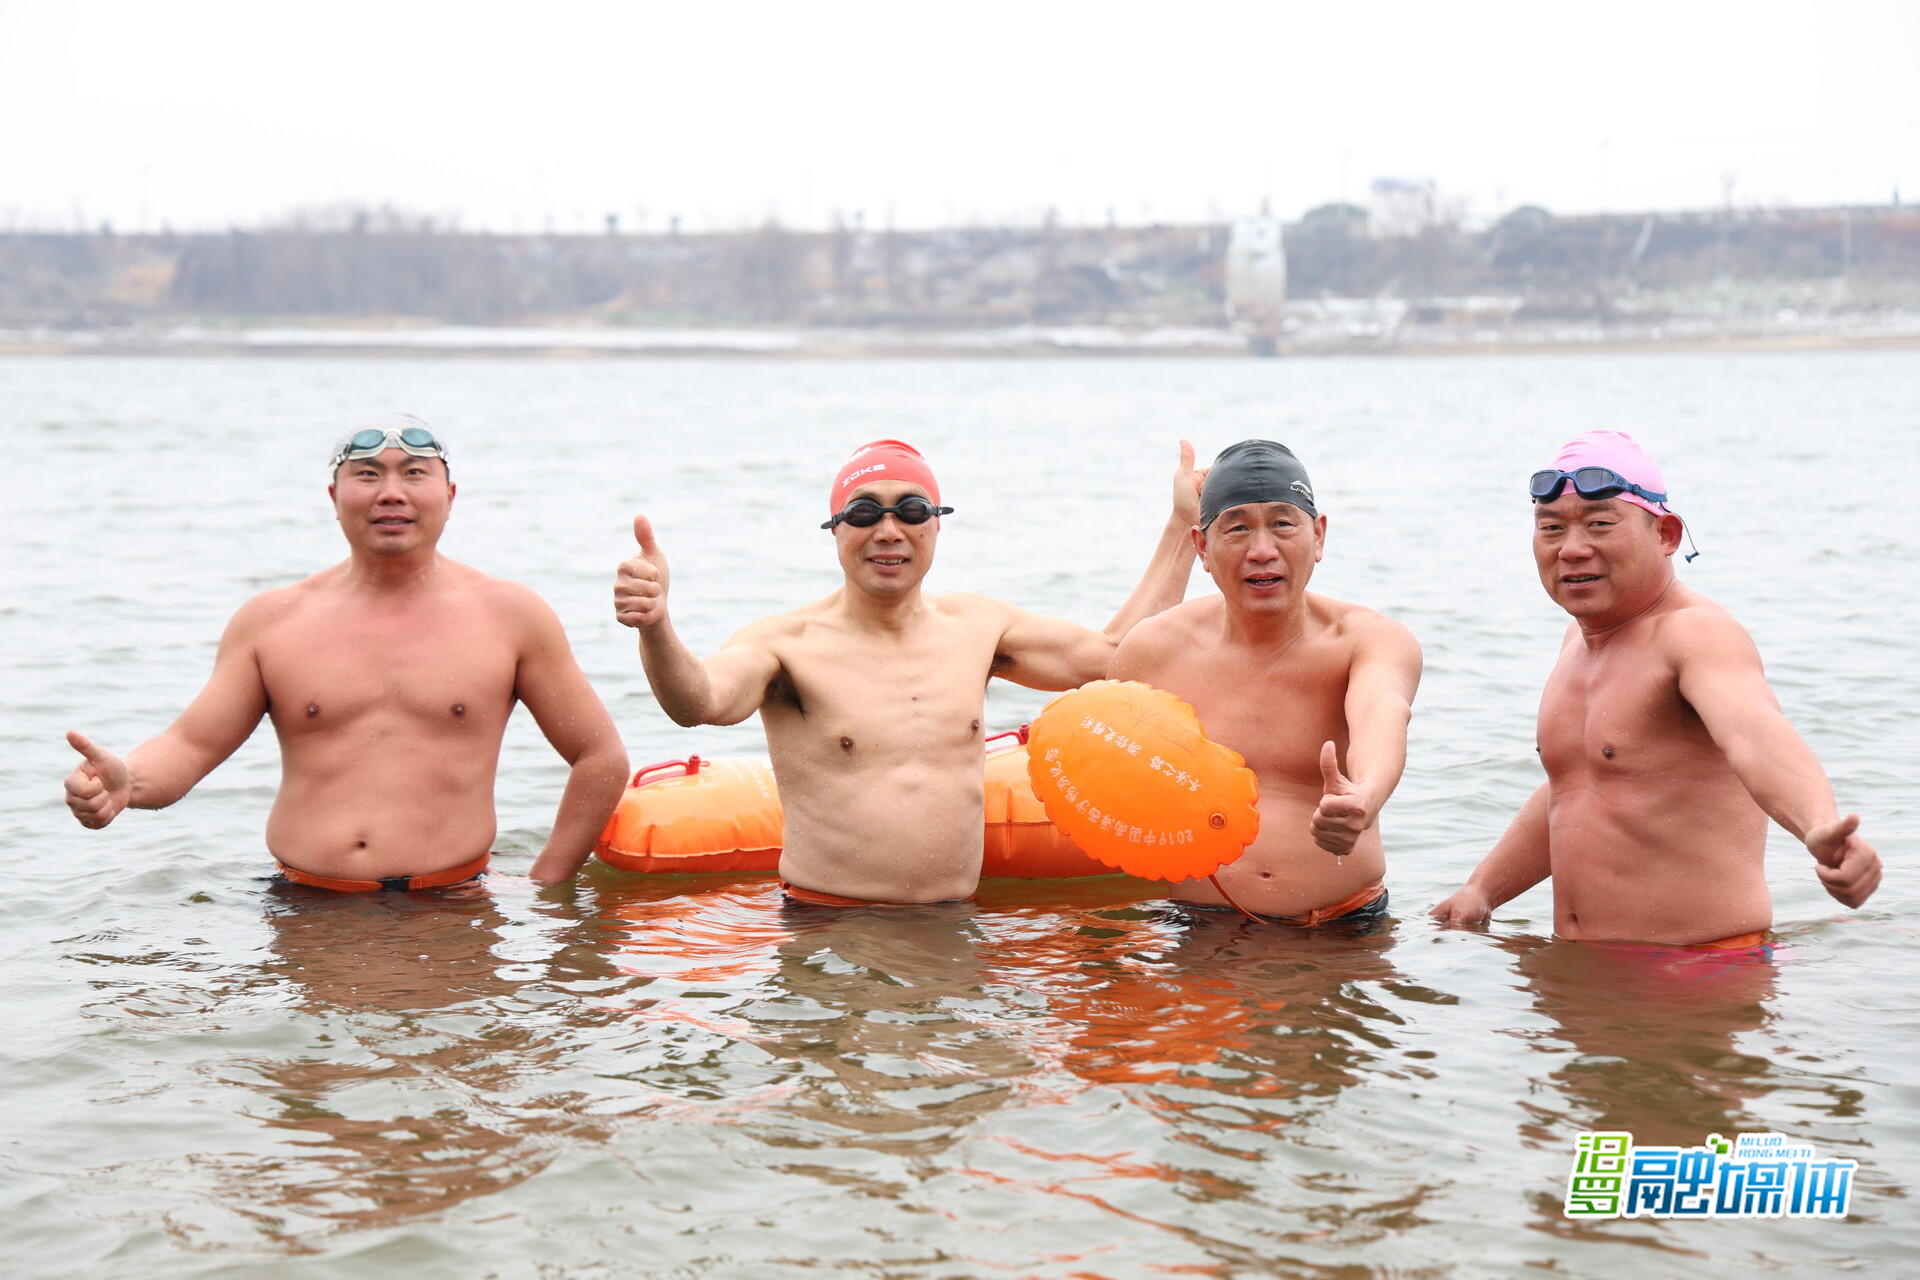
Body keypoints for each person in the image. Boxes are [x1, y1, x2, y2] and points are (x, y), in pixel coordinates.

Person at [613, 438, 1200, 905]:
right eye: (864, 512)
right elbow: (699, 702)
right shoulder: (786, 645)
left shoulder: (979, 627)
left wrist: (1181, 524)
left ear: (936, 524)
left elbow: (1114, 657)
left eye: (912, 510)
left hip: (950, 929)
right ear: (836, 529)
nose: (889, 530)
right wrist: (655, 625)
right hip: (831, 928)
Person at [61, 414, 629, 888]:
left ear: (450, 496)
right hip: (303, 908)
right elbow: (191, 744)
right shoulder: (273, 621)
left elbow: (599, 755)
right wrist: (128, 782)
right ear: (335, 498)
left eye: (414, 473)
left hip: (452, 909)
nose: (391, 492)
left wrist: (547, 884)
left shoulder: (510, 616)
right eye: (367, 475)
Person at [1430, 429, 1881, 945]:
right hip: (1583, 971)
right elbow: (1578, 786)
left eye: (1599, 525)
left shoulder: (1694, 634)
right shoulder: (1578, 642)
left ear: (1666, 535)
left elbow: (1754, 736)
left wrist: (1818, 826)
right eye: (1551, 528)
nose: (1571, 549)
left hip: (1700, 967)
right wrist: (1483, 890)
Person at [1109, 440, 1422, 923]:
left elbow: (1381, 713)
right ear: (1201, 547)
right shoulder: (1152, 650)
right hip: (1198, 925)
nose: (1262, 551)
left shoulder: (1369, 640)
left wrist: (1365, 795)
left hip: (1343, 929)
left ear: (1318, 536)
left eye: (1283, 524)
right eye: (1237, 528)